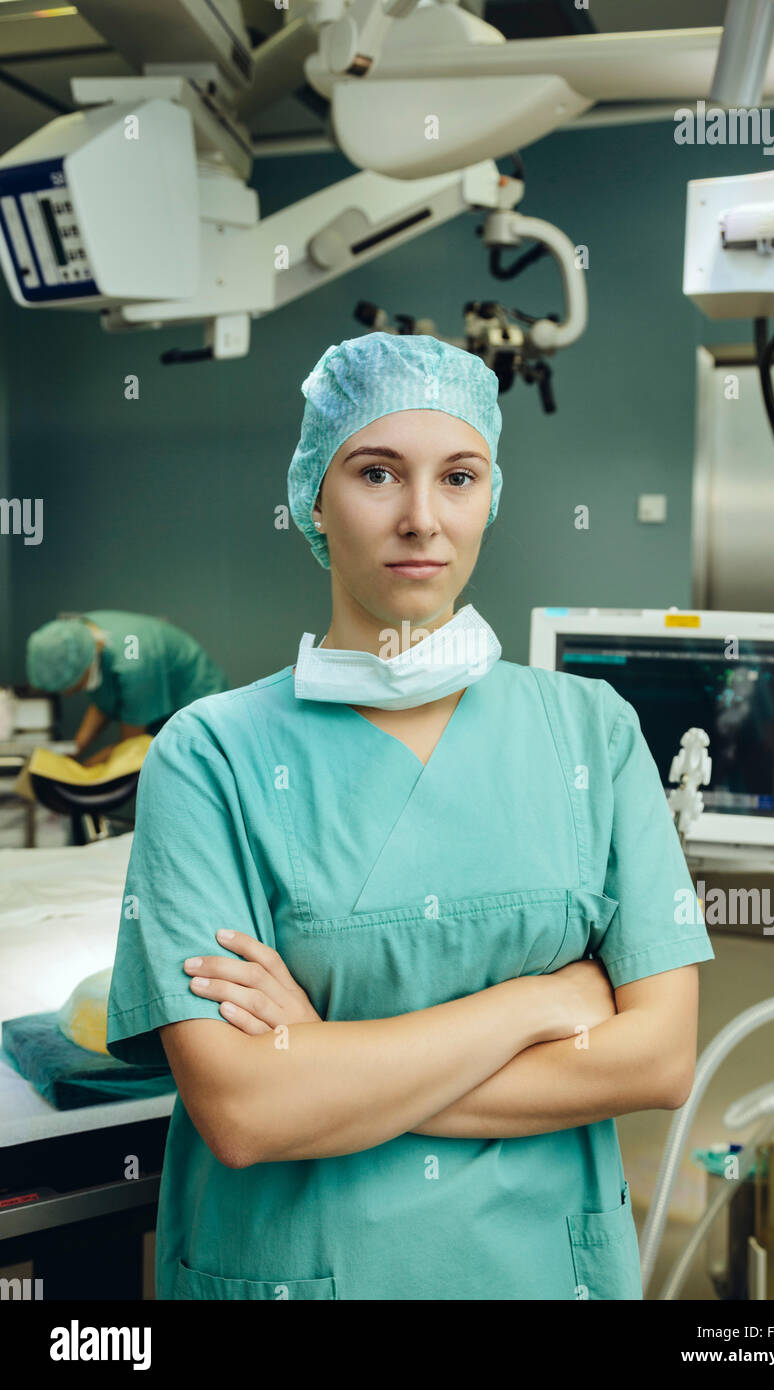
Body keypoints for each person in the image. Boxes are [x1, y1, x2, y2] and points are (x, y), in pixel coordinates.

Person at [106, 332, 715, 1301]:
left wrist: (326, 1063)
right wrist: (532, 1004)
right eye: (377, 472)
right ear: (312, 493)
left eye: (459, 477)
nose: (420, 518)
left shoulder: (588, 732)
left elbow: (656, 1058)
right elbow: (246, 1106)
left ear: (490, 499)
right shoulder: (209, 753)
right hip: (290, 1268)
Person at [25, 611, 228, 763]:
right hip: (156, 700)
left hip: (198, 710)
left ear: (85, 664)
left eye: (68, 686)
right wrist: (76, 749)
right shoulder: (84, 633)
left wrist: (85, 769)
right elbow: (104, 701)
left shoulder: (133, 663)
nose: (67, 694)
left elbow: (130, 749)